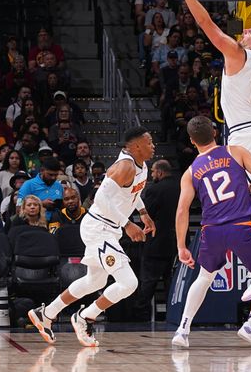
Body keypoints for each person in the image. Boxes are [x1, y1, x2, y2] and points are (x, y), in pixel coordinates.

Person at [170, 0, 251, 303]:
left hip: (243, 135)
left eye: (250, 33)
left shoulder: (239, 55)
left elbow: (206, 25)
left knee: (249, 203)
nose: (244, 33)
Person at [28, 126, 156, 347]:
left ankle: (47, 313)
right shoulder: (124, 166)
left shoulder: (140, 165)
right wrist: (128, 224)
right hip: (99, 228)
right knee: (129, 283)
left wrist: (143, 214)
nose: (153, 146)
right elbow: (102, 198)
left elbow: (132, 193)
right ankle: (85, 316)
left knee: (94, 281)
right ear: (136, 146)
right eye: (149, 142)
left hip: (107, 229)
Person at [171, 116, 251, 349]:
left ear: (192, 141)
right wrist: (246, 191)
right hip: (239, 226)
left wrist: (181, 246)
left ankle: (183, 330)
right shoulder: (235, 151)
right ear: (216, 133)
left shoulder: (190, 172)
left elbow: (181, 210)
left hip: (211, 230)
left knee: (204, 277)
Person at [136, 159, 179, 320]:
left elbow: (147, 215)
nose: (152, 175)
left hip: (155, 243)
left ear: (160, 172)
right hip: (176, 242)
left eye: (153, 172)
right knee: (172, 283)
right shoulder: (180, 187)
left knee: (148, 282)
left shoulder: (154, 189)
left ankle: (142, 318)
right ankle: (173, 315)